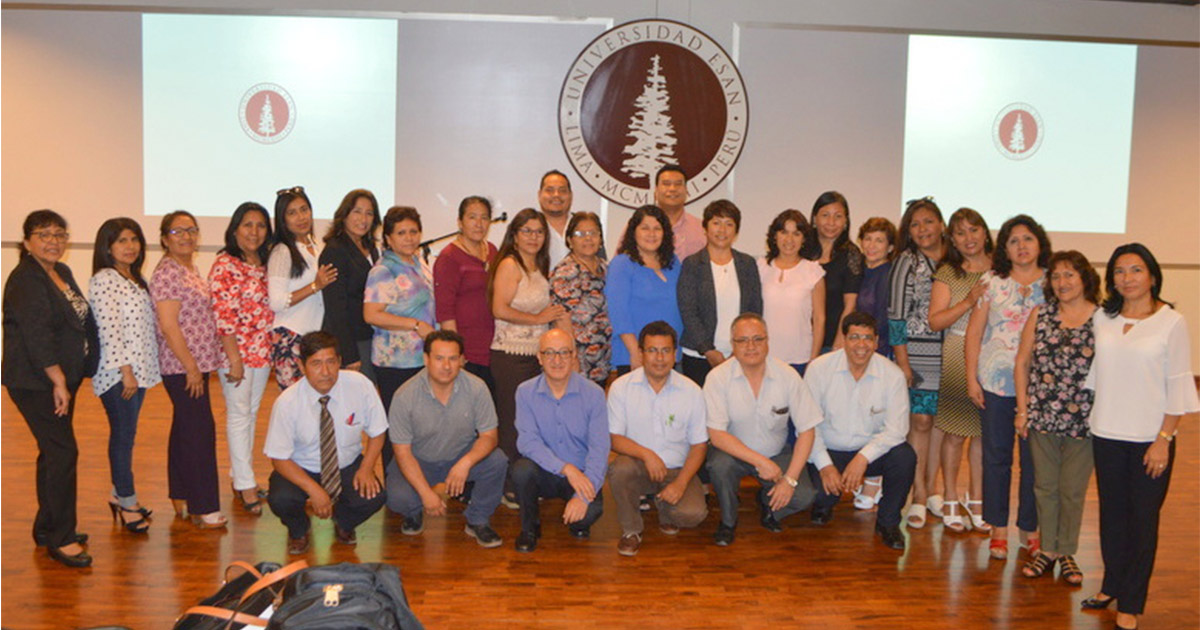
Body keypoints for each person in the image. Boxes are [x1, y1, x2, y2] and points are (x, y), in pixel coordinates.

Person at [1080, 243, 1198, 630]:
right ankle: (1112, 584)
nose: (1127, 278)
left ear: (1152, 275)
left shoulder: (1171, 322)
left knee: (1142, 522)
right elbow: (1099, 375)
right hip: (1106, 432)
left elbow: (1178, 384)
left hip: (1150, 439)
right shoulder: (1103, 318)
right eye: (1119, 271)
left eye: (1135, 270)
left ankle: (1131, 602)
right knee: (1112, 517)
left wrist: (1164, 438)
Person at [3, 210, 97, 567]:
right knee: (62, 452)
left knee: (52, 450)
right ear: (27, 242)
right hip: (36, 381)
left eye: (59, 234)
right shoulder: (26, 279)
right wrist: (58, 379)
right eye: (44, 234)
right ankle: (61, 538)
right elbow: (37, 334)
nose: (53, 241)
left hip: (61, 378)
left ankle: (46, 528)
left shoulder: (61, 272)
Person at [965, 213, 1050, 560]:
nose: (1021, 246)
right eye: (1013, 241)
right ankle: (998, 527)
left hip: (1040, 388)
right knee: (997, 457)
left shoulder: (1054, 282)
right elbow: (974, 333)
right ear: (1004, 249)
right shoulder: (992, 282)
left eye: (1028, 238)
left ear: (1040, 243)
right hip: (995, 384)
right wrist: (971, 378)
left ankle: (1030, 527)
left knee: (1035, 462)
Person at [1013, 250, 1100, 583]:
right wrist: (1023, 410)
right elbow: (1022, 363)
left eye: (1069, 275)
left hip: (1086, 420)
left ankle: (1067, 552)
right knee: (1044, 486)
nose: (1062, 282)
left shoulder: (1102, 318)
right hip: (1043, 415)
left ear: (1084, 278)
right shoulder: (1041, 313)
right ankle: (1047, 550)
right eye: (1056, 276)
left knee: (1072, 490)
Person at [263, 331, 388, 555]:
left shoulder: (360, 385)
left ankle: (344, 522)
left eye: (331, 362)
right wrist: (315, 490)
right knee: (281, 499)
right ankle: (299, 530)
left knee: (373, 497)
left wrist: (367, 468)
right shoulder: (287, 402)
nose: (325, 372)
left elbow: (378, 431)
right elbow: (279, 458)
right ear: (302, 366)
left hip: (346, 464)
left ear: (340, 361)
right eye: (316, 364)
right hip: (302, 467)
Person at [705, 313, 822, 546]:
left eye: (758, 339)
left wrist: (789, 480)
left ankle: (770, 508)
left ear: (768, 341)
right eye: (742, 340)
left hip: (776, 453)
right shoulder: (717, 378)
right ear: (732, 344)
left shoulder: (788, 375)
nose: (751, 346)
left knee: (804, 496)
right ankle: (728, 521)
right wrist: (760, 462)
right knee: (718, 466)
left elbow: (807, 430)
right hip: (733, 454)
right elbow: (716, 435)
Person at [151, 210, 236, 529]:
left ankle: (182, 494)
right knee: (200, 433)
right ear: (164, 239)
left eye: (191, 230)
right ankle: (204, 506)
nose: (186, 236)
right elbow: (169, 325)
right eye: (177, 231)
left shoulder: (188, 268)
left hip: (195, 365)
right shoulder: (167, 273)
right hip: (182, 367)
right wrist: (191, 367)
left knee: (185, 429)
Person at [385, 330, 509, 548]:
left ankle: (478, 519)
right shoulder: (404, 395)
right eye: (439, 358)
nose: (446, 366)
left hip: (459, 456)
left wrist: (465, 463)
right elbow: (402, 452)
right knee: (398, 497)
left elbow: (490, 436)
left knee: (497, 461)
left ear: (462, 360)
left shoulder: (477, 388)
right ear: (426, 359)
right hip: (419, 459)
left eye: (453, 358)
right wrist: (427, 495)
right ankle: (414, 512)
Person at [804, 312, 915, 550]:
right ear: (844, 339)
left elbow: (897, 430)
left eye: (867, 338)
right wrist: (825, 465)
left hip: (870, 453)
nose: (861, 345)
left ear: (876, 342)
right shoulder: (818, 369)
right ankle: (824, 504)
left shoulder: (892, 375)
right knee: (818, 495)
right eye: (854, 337)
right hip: (828, 450)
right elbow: (808, 425)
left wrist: (863, 458)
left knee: (905, 456)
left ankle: (888, 523)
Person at [608, 321, 709, 557]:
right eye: (652, 350)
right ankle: (631, 530)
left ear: (675, 354)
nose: (660, 358)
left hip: (677, 469)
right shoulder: (621, 388)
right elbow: (614, 438)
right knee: (620, 469)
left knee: (693, 515)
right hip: (638, 466)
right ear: (641, 353)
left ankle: (665, 506)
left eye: (666, 350)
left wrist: (681, 483)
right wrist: (647, 455)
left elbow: (699, 445)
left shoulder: (692, 391)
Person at [488, 208, 567, 504]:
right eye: (527, 231)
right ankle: (509, 485)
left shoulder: (538, 265)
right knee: (512, 422)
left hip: (536, 357)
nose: (534, 237)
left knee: (533, 422)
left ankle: (530, 479)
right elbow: (499, 309)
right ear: (515, 235)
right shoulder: (510, 264)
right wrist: (538, 319)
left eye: (539, 231)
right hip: (511, 355)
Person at [89, 218, 160, 534]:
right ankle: (127, 501)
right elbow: (109, 329)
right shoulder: (105, 279)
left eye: (134, 239)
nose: (130, 246)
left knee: (127, 435)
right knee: (122, 436)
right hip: (119, 374)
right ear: (107, 247)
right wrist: (126, 372)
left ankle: (118, 494)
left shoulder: (133, 278)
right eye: (121, 241)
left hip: (137, 372)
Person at [511, 329, 610, 552]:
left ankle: (577, 522)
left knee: (589, 512)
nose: (557, 360)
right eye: (549, 353)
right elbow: (527, 442)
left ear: (574, 355)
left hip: (581, 474)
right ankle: (529, 528)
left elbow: (600, 449)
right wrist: (566, 469)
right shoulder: (525, 392)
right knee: (521, 470)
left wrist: (582, 498)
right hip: (543, 470)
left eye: (564, 352)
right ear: (539, 357)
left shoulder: (594, 394)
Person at [928, 208, 992, 533]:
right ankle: (950, 495)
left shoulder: (1000, 269)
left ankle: (976, 498)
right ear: (952, 239)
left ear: (985, 232)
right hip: (957, 353)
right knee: (954, 433)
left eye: (974, 229)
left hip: (994, 357)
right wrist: (968, 300)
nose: (969, 238)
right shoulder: (948, 272)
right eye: (961, 232)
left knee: (982, 435)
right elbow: (935, 321)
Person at [208, 202, 275, 515]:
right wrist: (234, 358)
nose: (254, 232)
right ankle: (246, 483)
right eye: (247, 224)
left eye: (260, 225)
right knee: (238, 415)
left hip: (261, 352)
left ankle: (241, 477)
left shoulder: (263, 262)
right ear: (235, 229)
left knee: (250, 414)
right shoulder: (225, 264)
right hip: (235, 353)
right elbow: (223, 315)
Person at [887, 197, 948, 529]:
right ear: (907, 232)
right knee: (920, 421)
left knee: (940, 423)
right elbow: (895, 316)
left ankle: (934, 488)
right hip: (916, 355)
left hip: (951, 354)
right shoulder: (906, 261)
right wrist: (903, 364)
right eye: (915, 224)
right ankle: (919, 494)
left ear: (941, 224)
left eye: (928, 221)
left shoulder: (955, 260)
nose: (923, 229)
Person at [678, 199, 762, 387]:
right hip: (698, 356)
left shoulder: (747, 264)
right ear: (705, 228)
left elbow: (754, 310)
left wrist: (739, 349)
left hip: (740, 355)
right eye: (716, 223)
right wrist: (708, 350)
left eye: (729, 224)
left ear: (736, 231)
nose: (722, 230)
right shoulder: (692, 264)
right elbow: (688, 311)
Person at [364, 206, 437, 412]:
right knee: (399, 421)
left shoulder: (418, 261)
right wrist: (416, 325)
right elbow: (371, 314)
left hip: (421, 357)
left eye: (413, 232)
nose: (409, 238)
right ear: (388, 238)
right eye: (401, 233)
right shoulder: (384, 269)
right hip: (396, 361)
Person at [268, 186, 338, 389]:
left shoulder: (316, 246)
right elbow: (276, 302)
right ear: (283, 220)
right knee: (293, 401)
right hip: (290, 336)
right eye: (292, 213)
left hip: (314, 339)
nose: (301, 217)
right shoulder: (282, 251)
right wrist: (315, 286)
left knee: (313, 400)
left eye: (304, 209)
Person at [606, 205, 683, 374]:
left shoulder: (673, 263)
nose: (651, 234)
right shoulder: (622, 264)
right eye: (645, 228)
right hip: (636, 356)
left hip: (669, 355)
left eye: (657, 228)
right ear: (633, 232)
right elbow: (618, 313)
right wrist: (636, 352)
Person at [433, 195, 498, 391]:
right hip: (467, 350)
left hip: (494, 346)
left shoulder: (492, 251)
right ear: (460, 222)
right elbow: (445, 311)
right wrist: (456, 353)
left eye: (484, 217)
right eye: (472, 217)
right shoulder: (449, 257)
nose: (479, 224)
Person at [320, 189, 382, 382]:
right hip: (351, 341)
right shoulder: (334, 251)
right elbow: (335, 307)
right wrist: (349, 353)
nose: (363, 219)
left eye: (369, 213)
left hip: (371, 335)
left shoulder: (371, 248)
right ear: (344, 214)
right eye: (357, 211)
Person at [758, 209, 825, 374]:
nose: (789, 239)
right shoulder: (761, 267)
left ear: (804, 239)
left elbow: (819, 319)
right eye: (784, 232)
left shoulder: (813, 271)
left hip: (800, 358)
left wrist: (813, 359)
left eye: (796, 234)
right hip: (764, 356)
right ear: (775, 236)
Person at [549, 211, 611, 386]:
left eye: (593, 233)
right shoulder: (565, 271)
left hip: (602, 358)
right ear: (570, 240)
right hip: (578, 360)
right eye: (580, 234)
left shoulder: (606, 268)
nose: (588, 238)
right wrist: (571, 356)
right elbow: (561, 318)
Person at [802, 191, 863, 353]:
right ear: (814, 219)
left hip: (832, 342)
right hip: (800, 338)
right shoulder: (802, 251)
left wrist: (839, 339)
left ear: (846, 221)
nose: (831, 222)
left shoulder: (851, 254)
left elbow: (850, 304)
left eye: (838, 216)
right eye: (825, 215)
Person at [855, 217, 897, 360]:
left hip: (877, 349)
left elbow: (883, 320)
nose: (871, 245)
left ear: (890, 247)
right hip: (856, 346)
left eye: (879, 240)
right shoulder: (857, 270)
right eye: (868, 239)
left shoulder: (889, 275)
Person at [653, 165, 706, 260]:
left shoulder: (702, 229)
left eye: (678, 184)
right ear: (656, 191)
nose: (672, 189)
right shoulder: (639, 227)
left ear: (686, 191)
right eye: (666, 184)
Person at [538, 170, 575, 269]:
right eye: (550, 190)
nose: (556, 195)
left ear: (571, 195)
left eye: (562, 191)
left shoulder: (585, 226)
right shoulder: (529, 229)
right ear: (539, 194)